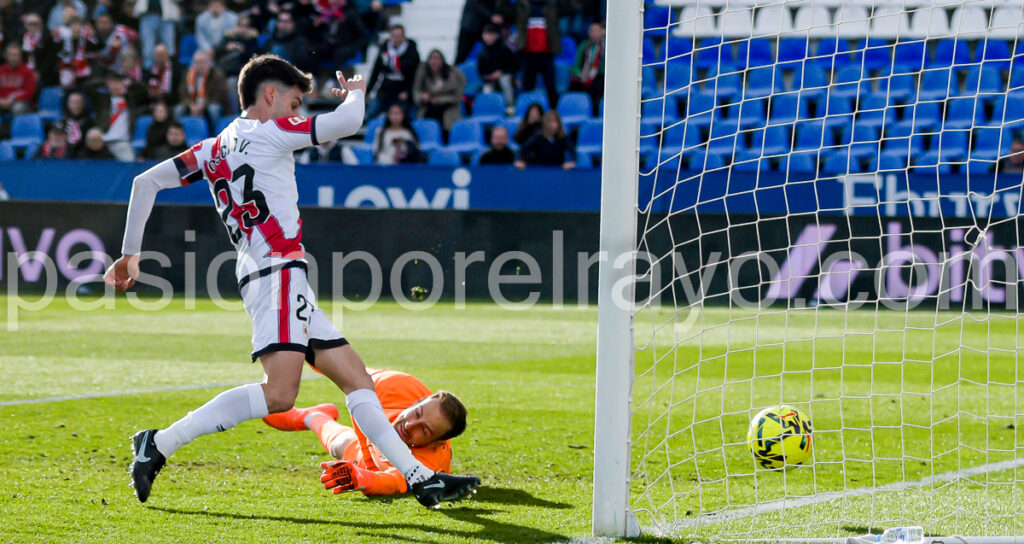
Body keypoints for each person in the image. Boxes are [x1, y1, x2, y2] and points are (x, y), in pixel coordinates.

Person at [104, 54, 480, 508]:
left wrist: (130, 254)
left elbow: (145, 183)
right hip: (275, 272)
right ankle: (158, 443)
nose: (297, 111)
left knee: (358, 380)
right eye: (295, 100)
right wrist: (357, 90)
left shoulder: (211, 148)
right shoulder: (272, 132)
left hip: (273, 275)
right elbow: (349, 121)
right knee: (281, 393)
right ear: (269, 95)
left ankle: (421, 478)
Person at [263, 368, 467, 496]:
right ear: (415, 402)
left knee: (340, 446)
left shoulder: (429, 465)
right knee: (350, 442)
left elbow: (391, 482)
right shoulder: (396, 385)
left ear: (435, 443)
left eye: (424, 430)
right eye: (417, 413)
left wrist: (363, 476)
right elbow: (344, 369)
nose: (410, 425)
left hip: (373, 460)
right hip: (372, 446)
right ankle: (312, 416)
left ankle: (311, 416)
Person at [512, 0, 564, 109]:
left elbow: (571, 7)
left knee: (550, 86)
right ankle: (525, 113)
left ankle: (554, 112)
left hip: (547, 53)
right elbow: (503, 10)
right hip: (527, 53)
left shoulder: (552, 6)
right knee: (527, 87)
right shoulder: (521, 6)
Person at [366, 24, 419, 120]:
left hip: (403, 90)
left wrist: (407, 91)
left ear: (404, 37)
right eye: (394, 36)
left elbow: (415, 76)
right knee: (371, 112)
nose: (397, 39)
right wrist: (368, 91)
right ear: (390, 37)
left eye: (399, 36)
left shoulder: (412, 52)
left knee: (408, 115)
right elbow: (376, 71)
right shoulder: (384, 50)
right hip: (386, 90)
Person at [412, 49, 465, 135]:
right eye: (432, 58)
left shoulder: (452, 74)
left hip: (448, 111)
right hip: (428, 109)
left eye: (438, 59)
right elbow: (416, 93)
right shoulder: (423, 73)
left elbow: (457, 96)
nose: (435, 62)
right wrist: (423, 97)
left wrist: (438, 100)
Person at [176, 50, 231, 128]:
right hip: (192, 105)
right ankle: (179, 134)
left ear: (209, 63)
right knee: (178, 109)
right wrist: (191, 105)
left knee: (214, 109)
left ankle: (215, 134)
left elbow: (220, 95)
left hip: (210, 104)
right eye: (197, 62)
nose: (200, 65)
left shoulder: (217, 75)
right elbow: (183, 93)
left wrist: (203, 105)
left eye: (203, 62)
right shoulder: (187, 74)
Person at [314, 0, 368, 75]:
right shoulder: (327, 12)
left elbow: (362, 35)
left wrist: (352, 48)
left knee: (339, 54)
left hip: (344, 46)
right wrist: (318, 24)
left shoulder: (350, 13)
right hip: (329, 43)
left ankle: (333, 79)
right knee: (315, 50)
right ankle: (314, 76)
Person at [93, 72, 136, 161]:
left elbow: (143, 91)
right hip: (102, 141)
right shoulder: (102, 100)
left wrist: (131, 82)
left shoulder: (131, 99)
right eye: (113, 83)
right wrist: (104, 82)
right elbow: (88, 86)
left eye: (118, 83)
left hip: (121, 141)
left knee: (130, 164)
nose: (115, 86)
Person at [476, 23, 518, 113]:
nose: (490, 37)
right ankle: (489, 110)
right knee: (486, 89)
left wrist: (501, 72)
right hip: (490, 81)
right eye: (487, 34)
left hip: (505, 77)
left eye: (492, 34)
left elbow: (514, 66)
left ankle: (510, 106)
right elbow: (481, 72)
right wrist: (489, 77)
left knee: (504, 80)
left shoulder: (504, 49)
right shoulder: (482, 53)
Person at [569, 21, 604, 116]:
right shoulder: (583, 46)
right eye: (591, 30)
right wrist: (579, 74)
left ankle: (595, 115)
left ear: (602, 32)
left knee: (597, 88)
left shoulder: (606, 47)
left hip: (599, 77)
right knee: (573, 87)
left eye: (596, 31)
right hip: (584, 76)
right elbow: (576, 66)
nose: (593, 33)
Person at [134, 0, 179, 68]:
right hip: (147, 16)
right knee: (148, 50)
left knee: (169, 49)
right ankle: (149, 73)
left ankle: (170, 73)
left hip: (166, 18)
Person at [0, 43, 36, 116]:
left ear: (20, 57)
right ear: (6, 56)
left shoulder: (27, 71)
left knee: (18, 108)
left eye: (16, 55)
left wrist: (13, 99)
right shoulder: (1, 71)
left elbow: (30, 91)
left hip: (21, 102)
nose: (13, 58)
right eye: (11, 55)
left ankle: (16, 127)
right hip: (2, 101)